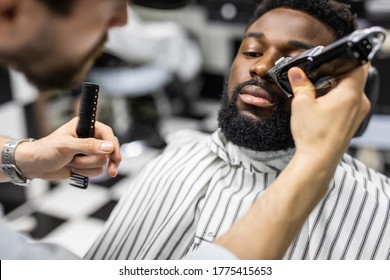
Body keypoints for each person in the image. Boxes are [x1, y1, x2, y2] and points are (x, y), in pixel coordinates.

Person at [0, 0, 370, 260]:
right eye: (252, 52)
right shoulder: (180, 150)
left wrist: (19, 157)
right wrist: (317, 161)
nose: (261, 69)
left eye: (293, 61)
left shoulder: (375, 203)